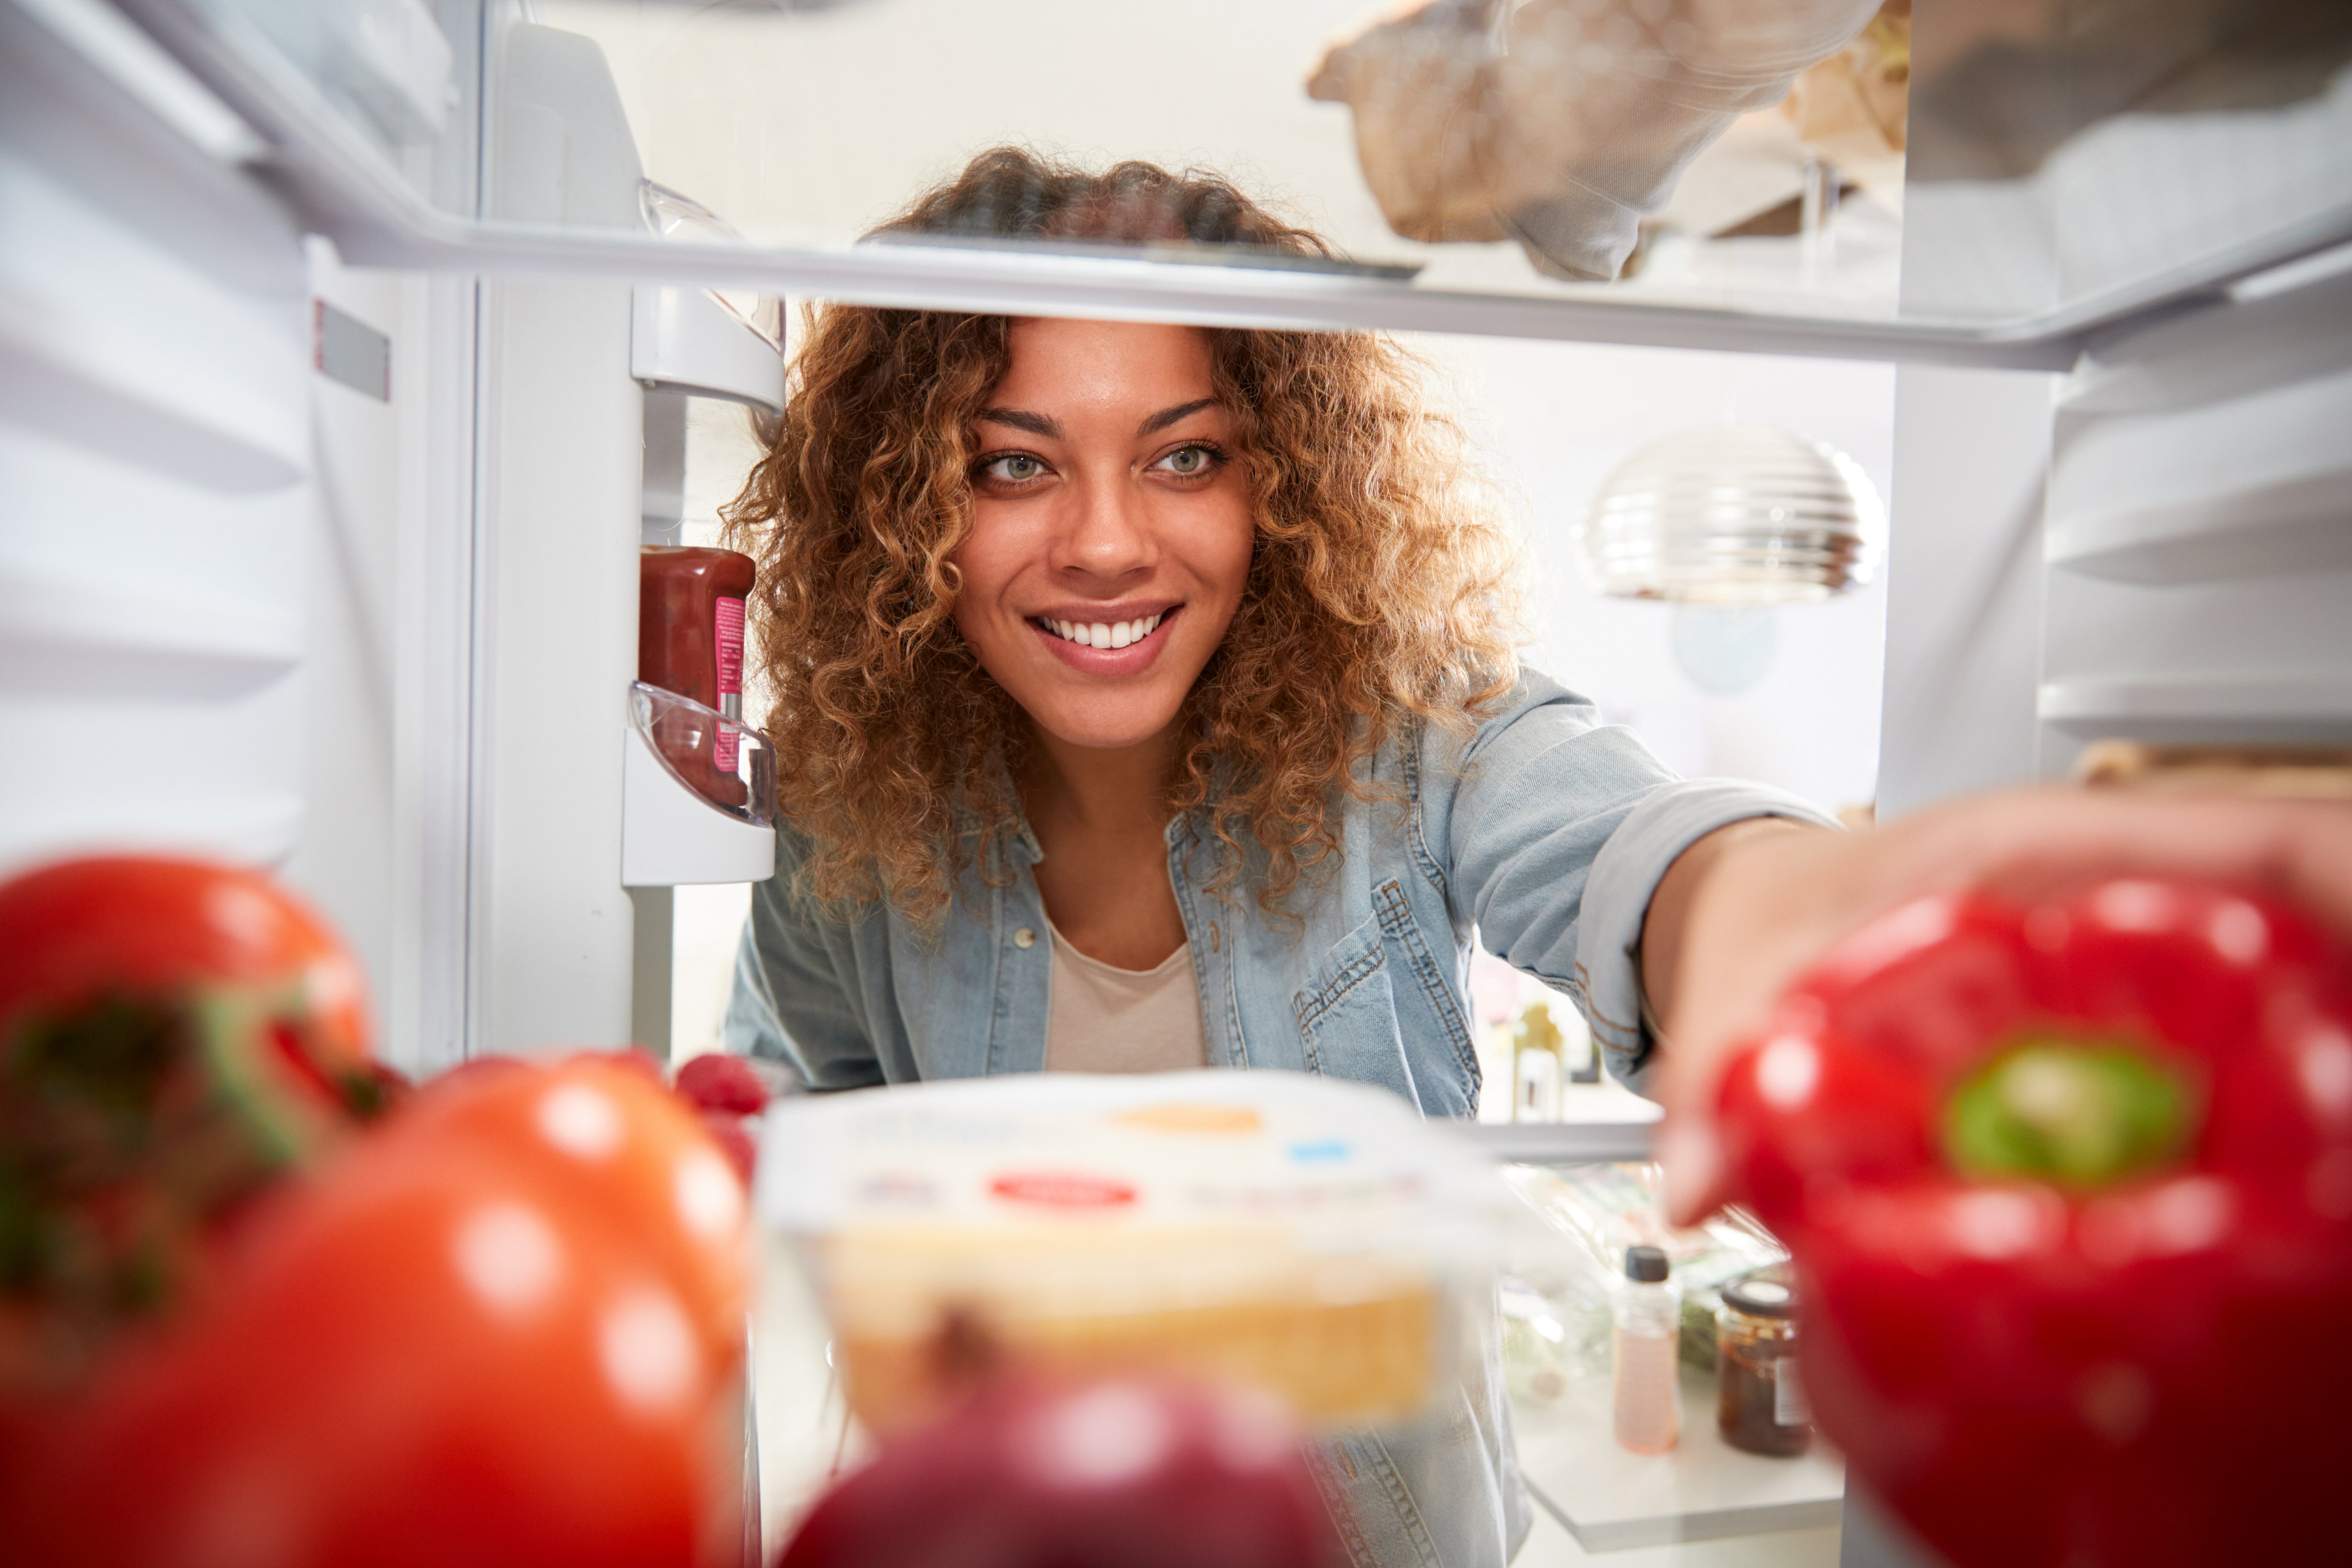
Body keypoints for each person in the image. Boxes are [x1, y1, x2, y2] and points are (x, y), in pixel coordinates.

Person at [722, 147, 2352, 1565]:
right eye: (1015, 462)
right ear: (904, 505)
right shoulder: (853, 814)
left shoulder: (1410, 730)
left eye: (1187, 453)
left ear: (1281, 485)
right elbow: (821, 1100)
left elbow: (1626, 844)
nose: (1101, 538)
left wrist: (1790, 914)